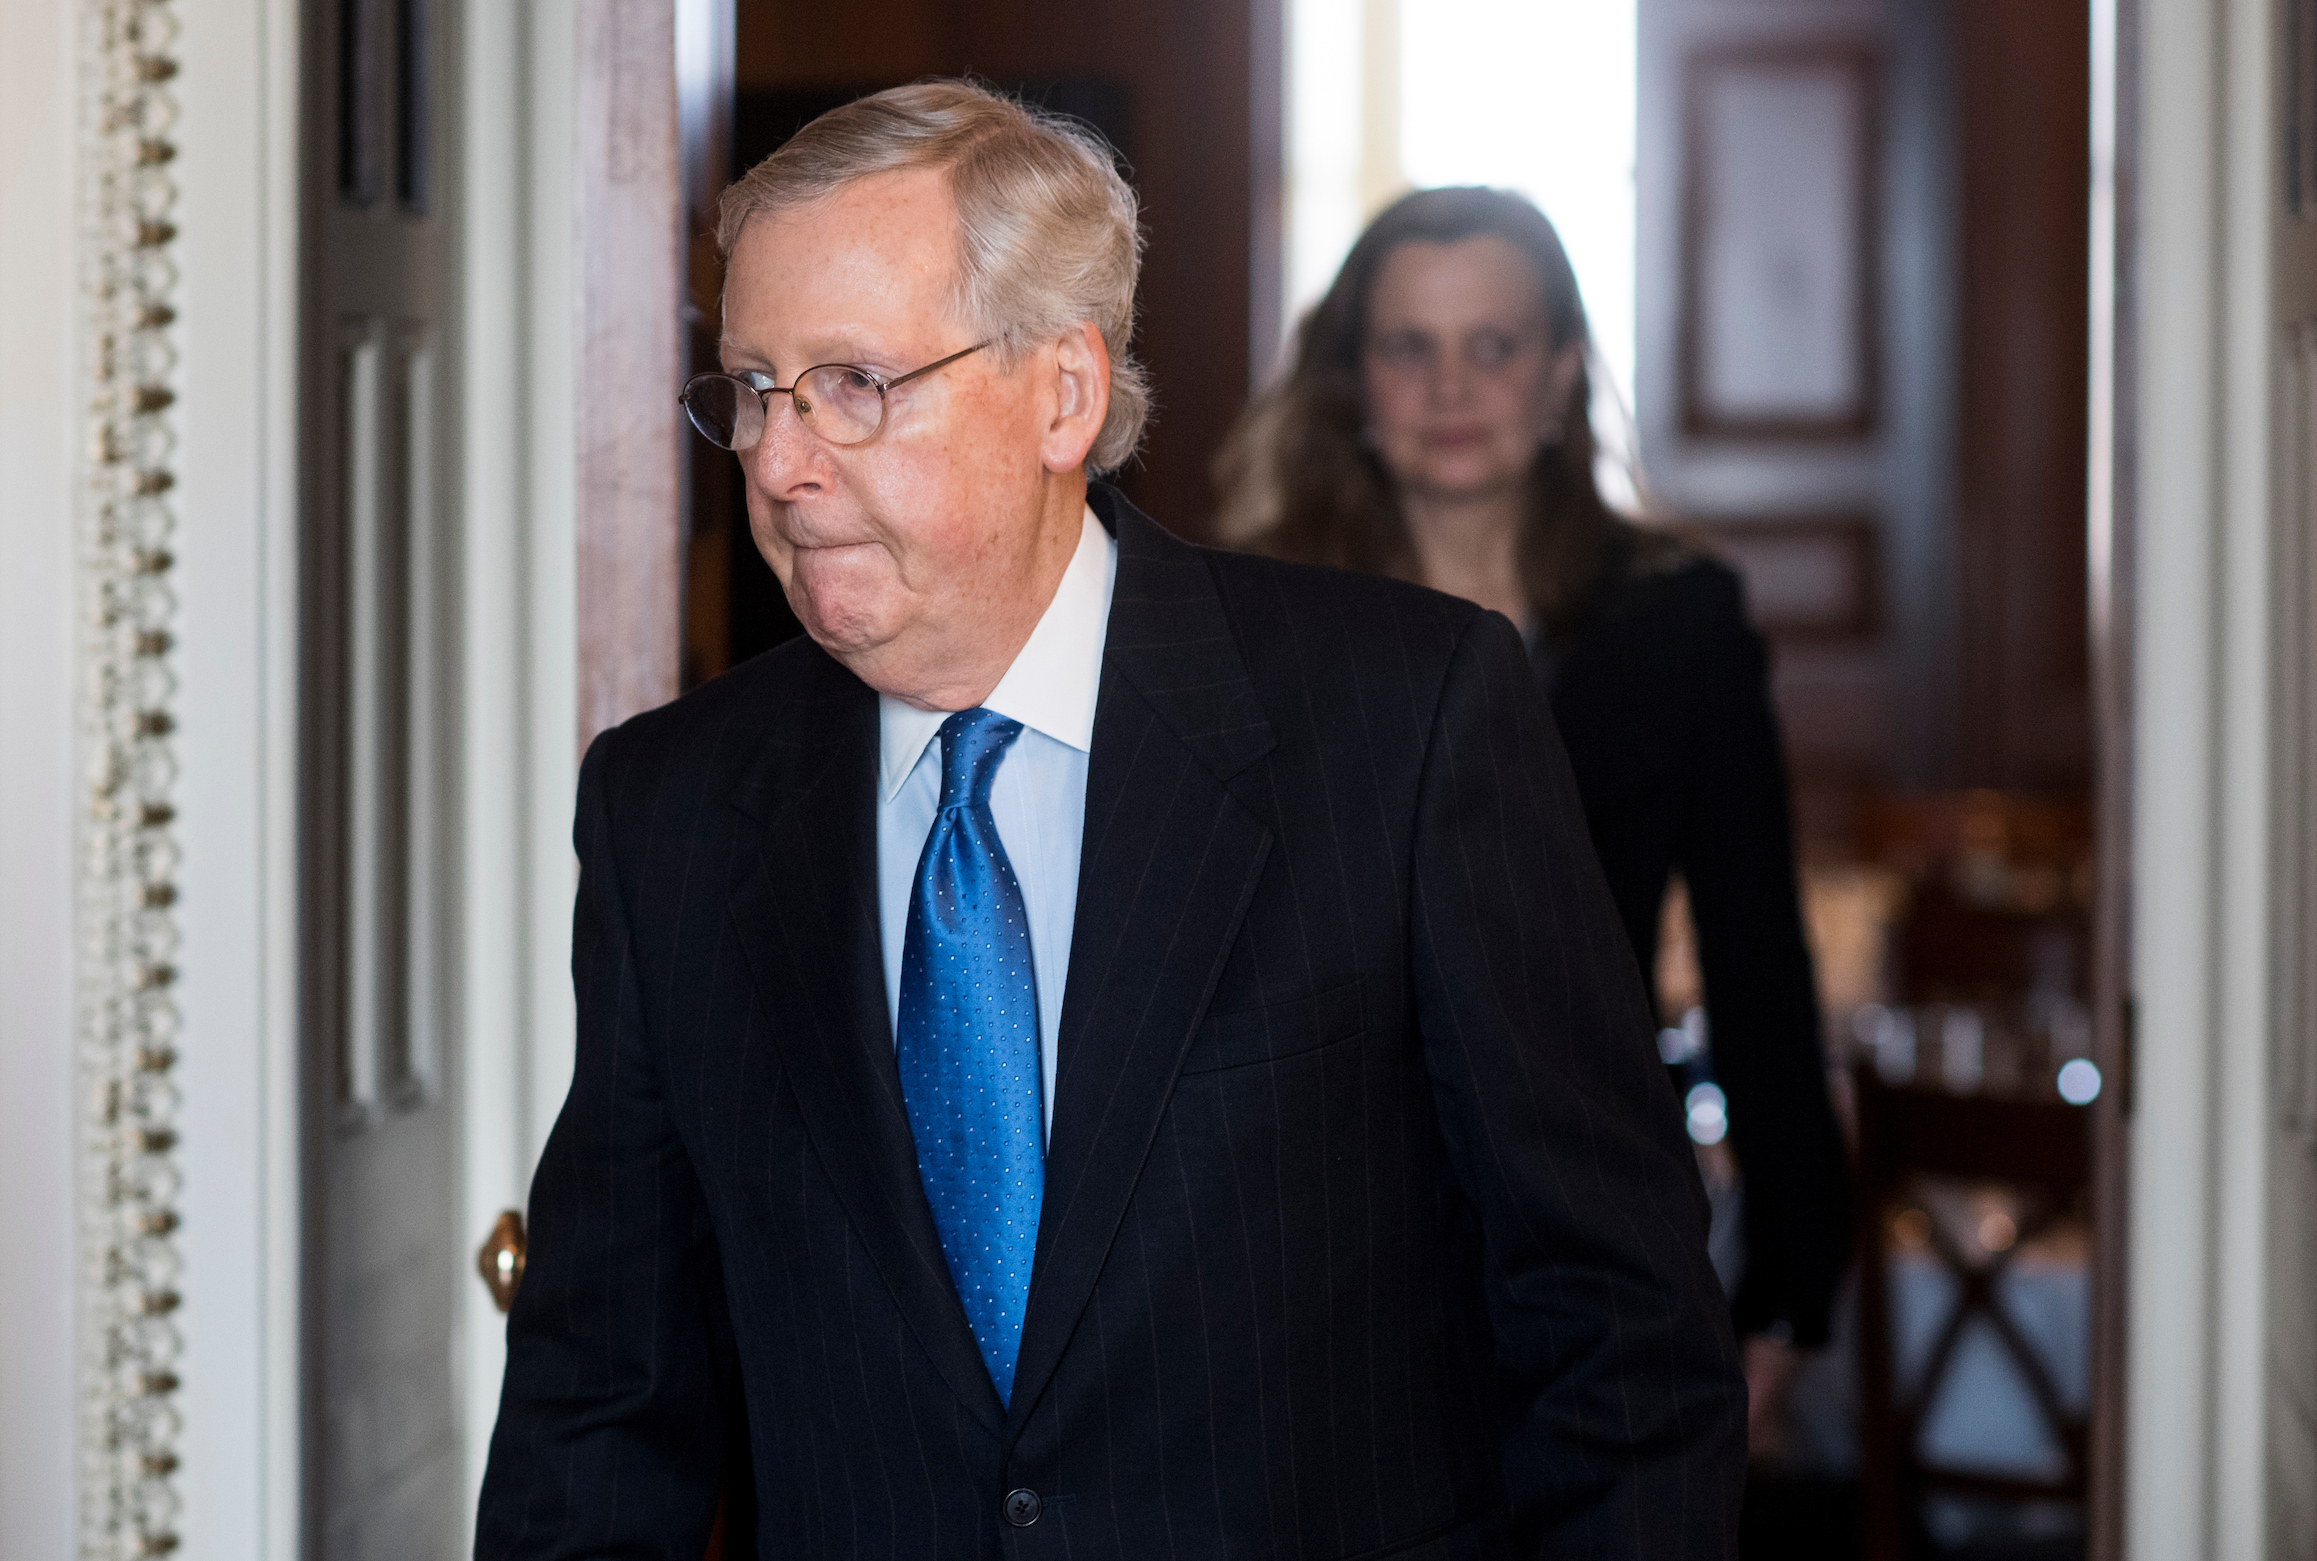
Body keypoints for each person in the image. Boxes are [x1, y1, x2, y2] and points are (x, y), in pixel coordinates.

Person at [476, 85, 1742, 1559]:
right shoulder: (672, 811)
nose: (776, 460)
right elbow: (601, 1402)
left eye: (854, 385)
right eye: (751, 387)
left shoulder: (1403, 723)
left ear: (1062, 395)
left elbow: (1620, 1337)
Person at [1218, 187, 1853, 1454]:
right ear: (1354, 381)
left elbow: (1758, 959)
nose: (1452, 386)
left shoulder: (1680, 624)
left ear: (1561, 368)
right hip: (1304, 1230)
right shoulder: (1249, 618)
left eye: (1494, 345)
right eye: (1410, 347)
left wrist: (1788, 1288)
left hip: (1593, 1227)